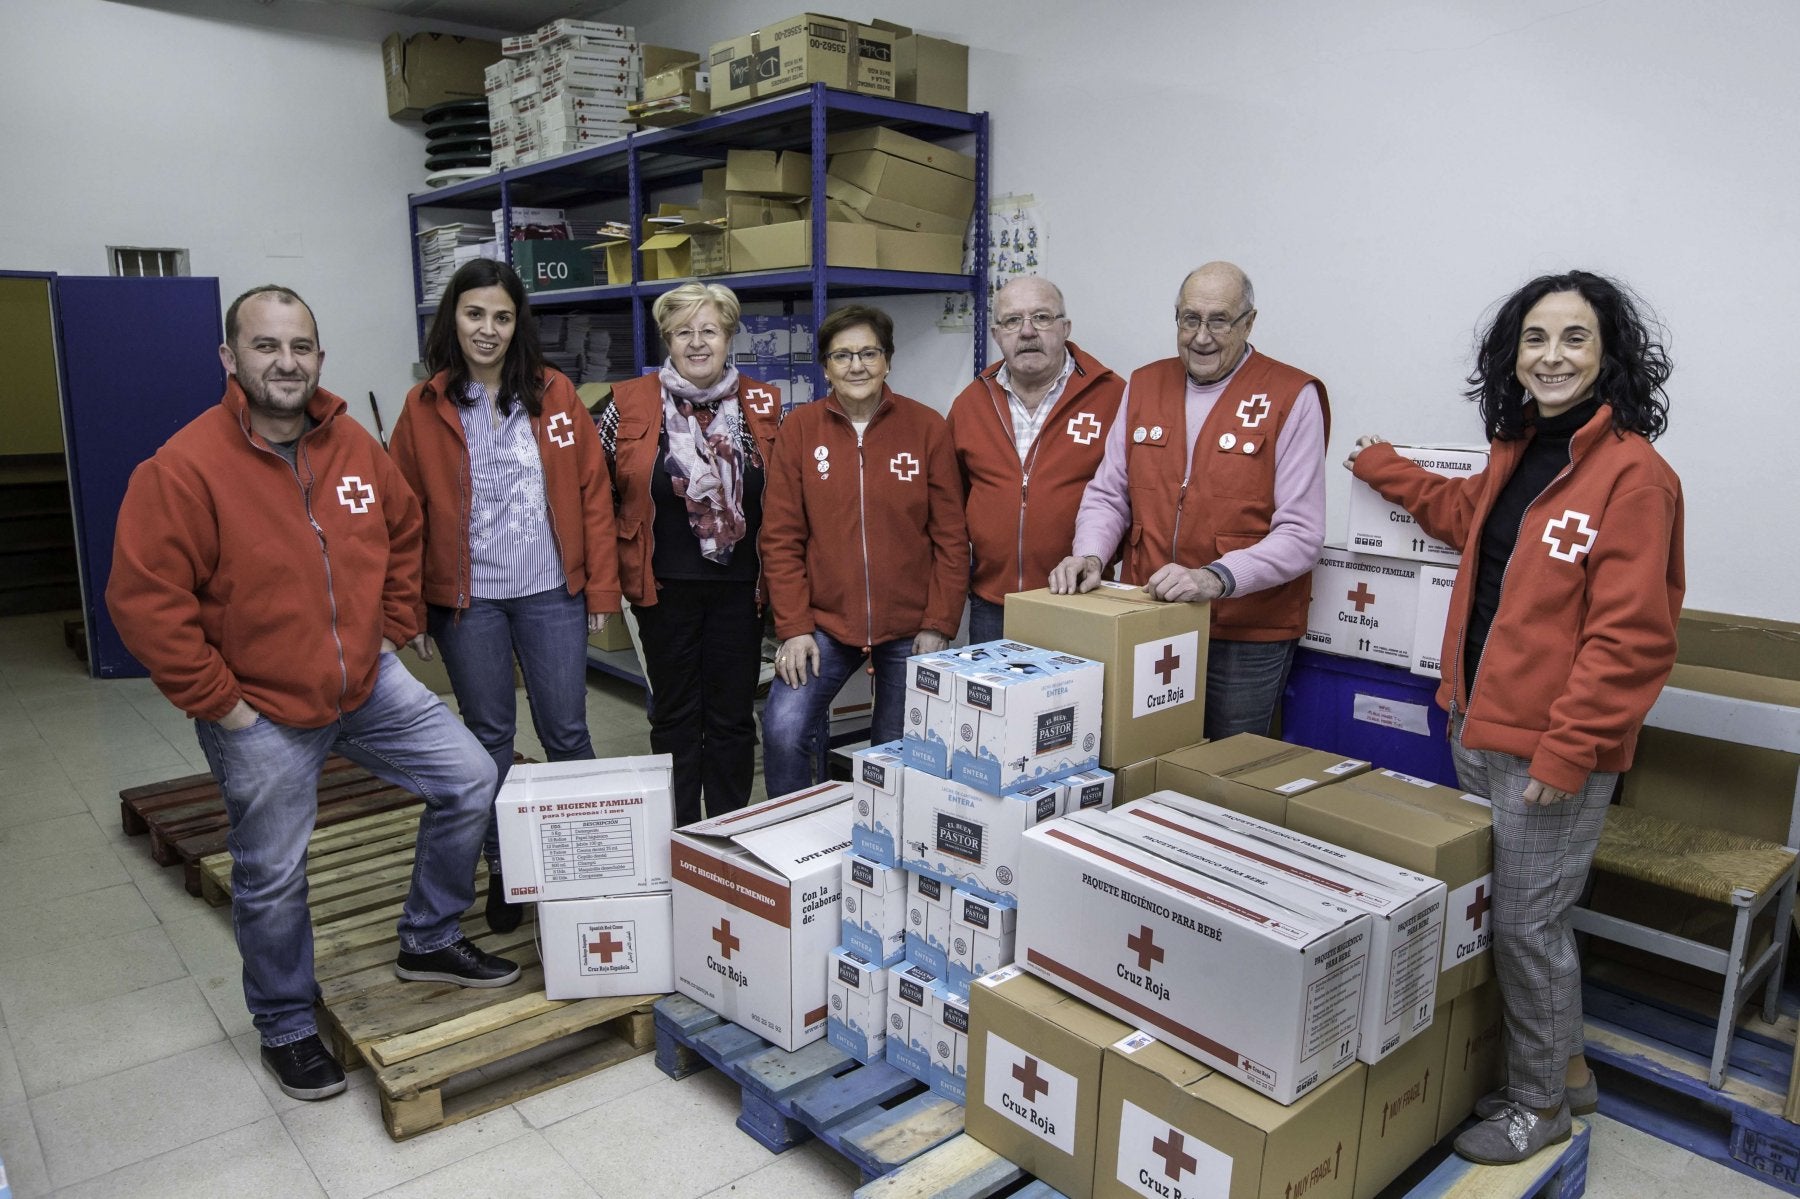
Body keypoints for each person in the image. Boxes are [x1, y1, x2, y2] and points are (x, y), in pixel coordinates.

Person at [107, 285, 520, 1104]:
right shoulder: (183, 468)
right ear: (231, 359)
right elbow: (146, 602)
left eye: (300, 346)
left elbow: (405, 530)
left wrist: (393, 624)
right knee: (270, 872)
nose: (285, 362)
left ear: (319, 357)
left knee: (471, 779)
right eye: (265, 347)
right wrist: (220, 702)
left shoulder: (355, 448)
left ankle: (430, 935)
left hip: (366, 685)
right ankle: (288, 1022)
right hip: (258, 708)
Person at [1347, 270, 1683, 1165]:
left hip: (1550, 750)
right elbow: (1469, 521)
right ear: (1514, 354)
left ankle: (1541, 1105)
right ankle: (1564, 1069)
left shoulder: (1635, 477)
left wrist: (1568, 752)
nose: (1553, 355)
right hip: (1477, 726)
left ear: (1609, 354)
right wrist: (1384, 467)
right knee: (1511, 916)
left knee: (1529, 926)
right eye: (1536, 338)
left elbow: (1630, 640)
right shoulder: (1518, 449)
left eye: (1574, 338)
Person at [389, 259, 620, 933]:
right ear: (452, 319)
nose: (487, 329)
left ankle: (588, 867)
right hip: (470, 604)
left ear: (518, 324)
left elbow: (592, 496)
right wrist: (409, 607)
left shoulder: (554, 394)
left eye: (501, 316)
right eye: (474, 314)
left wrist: (600, 586)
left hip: (551, 592)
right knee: (487, 739)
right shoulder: (425, 404)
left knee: (566, 731)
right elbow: (401, 516)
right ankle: (506, 872)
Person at [1049, 261, 1328, 741]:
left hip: (1244, 633)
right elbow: (1110, 491)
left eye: (1219, 320)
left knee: (1225, 773)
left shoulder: (1291, 395)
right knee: (1142, 759)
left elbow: (1302, 535)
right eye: (1189, 319)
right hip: (1149, 617)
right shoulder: (1144, 383)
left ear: (1249, 323)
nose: (1201, 337)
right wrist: (1090, 553)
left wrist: (1215, 578)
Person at [760, 304, 968, 797]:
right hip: (825, 625)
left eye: (869, 353)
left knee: (892, 757)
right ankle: (796, 837)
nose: (857, 366)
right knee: (784, 730)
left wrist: (939, 624)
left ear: (888, 361)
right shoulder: (801, 431)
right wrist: (793, 628)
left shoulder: (926, 427)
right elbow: (781, 538)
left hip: (909, 628)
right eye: (842, 355)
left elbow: (951, 538)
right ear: (826, 367)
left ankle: (881, 852)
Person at [595, 281, 780, 826]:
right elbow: (591, 494)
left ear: (728, 337)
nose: (697, 343)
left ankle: (725, 834)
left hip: (740, 590)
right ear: (666, 341)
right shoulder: (625, 406)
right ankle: (677, 835)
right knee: (675, 717)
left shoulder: (763, 405)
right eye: (683, 332)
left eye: (710, 331)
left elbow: (785, 496)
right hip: (662, 587)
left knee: (731, 718)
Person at [947, 276, 1125, 643]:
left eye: (1042, 317)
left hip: (1082, 599)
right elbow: (953, 500)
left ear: (1065, 328)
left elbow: (1128, 497)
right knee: (994, 701)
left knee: (1080, 702)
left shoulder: (1113, 397)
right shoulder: (971, 403)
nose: (1027, 332)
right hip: (993, 604)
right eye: (1013, 321)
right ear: (996, 334)